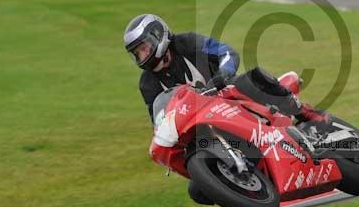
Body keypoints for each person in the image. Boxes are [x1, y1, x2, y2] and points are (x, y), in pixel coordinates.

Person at [123, 13, 332, 128]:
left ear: (158, 36)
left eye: (144, 48)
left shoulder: (186, 42)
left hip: (226, 94)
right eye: (137, 53)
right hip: (200, 119)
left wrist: (222, 76)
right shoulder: (147, 84)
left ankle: (303, 111)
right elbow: (158, 120)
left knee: (252, 77)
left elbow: (227, 53)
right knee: (198, 191)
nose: (142, 56)